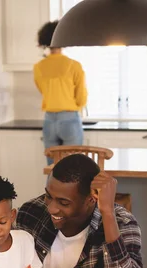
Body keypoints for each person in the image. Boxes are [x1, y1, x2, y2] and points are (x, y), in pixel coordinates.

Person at [16, 154, 143, 268]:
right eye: (49, 196)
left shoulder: (123, 224)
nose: (51, 208)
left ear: (91, 199)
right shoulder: (31, 212)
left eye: (63, 202)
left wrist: (108, 213)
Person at [33, 20, 88, 165]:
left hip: (49, 121)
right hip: (69, 118)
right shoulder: (73, 65)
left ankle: (51, 189)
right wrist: (76, 104)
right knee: (74, 168)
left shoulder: (39, 67)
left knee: (52, 169)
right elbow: (81, 96)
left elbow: (43, 90)